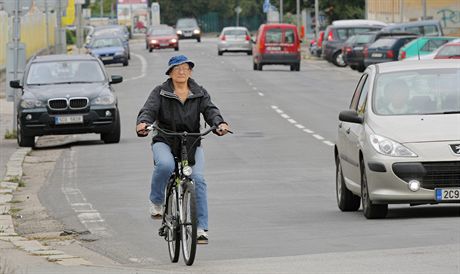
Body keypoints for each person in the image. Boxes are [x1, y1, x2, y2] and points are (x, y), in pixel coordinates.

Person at [136, 55, 230, 244]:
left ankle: (201, 229)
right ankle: (156, 201)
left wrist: (219, 123)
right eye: (177, 68)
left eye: (186, 67)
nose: (181, 71)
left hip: (191, 142)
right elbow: (148, 109)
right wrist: (143, 123)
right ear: (170, 72)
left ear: (190, 71)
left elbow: (210, 109)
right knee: (165, 165)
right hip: (165, 139)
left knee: (199, 180)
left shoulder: (199, 92)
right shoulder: (160, 92)